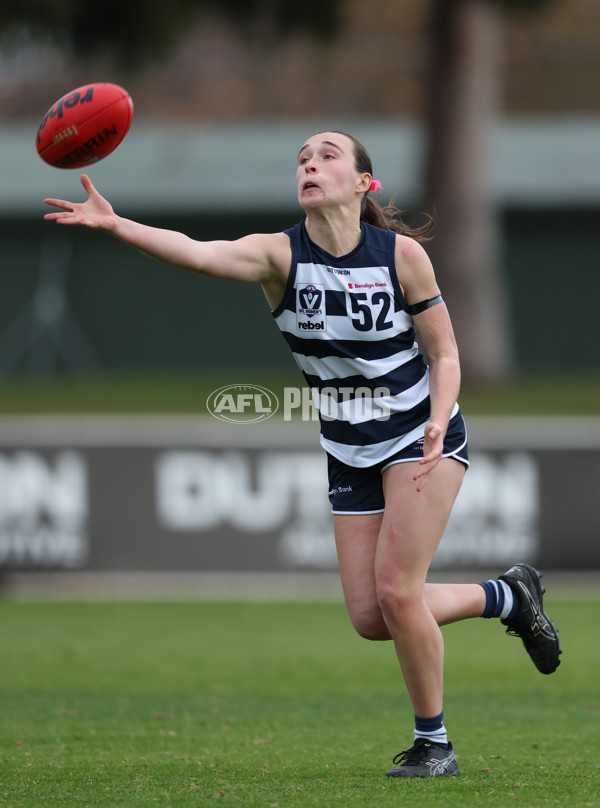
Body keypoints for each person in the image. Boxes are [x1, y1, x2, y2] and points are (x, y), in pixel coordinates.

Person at [44, 130, 561, 778]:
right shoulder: (278, 256)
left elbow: (446, 354)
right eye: (302, 160)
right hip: (349, 447)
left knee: (399, 595)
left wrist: (435, 422)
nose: (310, 165)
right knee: (372, 617)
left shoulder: (402, 258)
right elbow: (200, 254)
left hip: (416, 437)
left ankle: (436, 744)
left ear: (362, 183)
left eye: (327, 156)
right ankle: (509, 597)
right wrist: (118, 225)